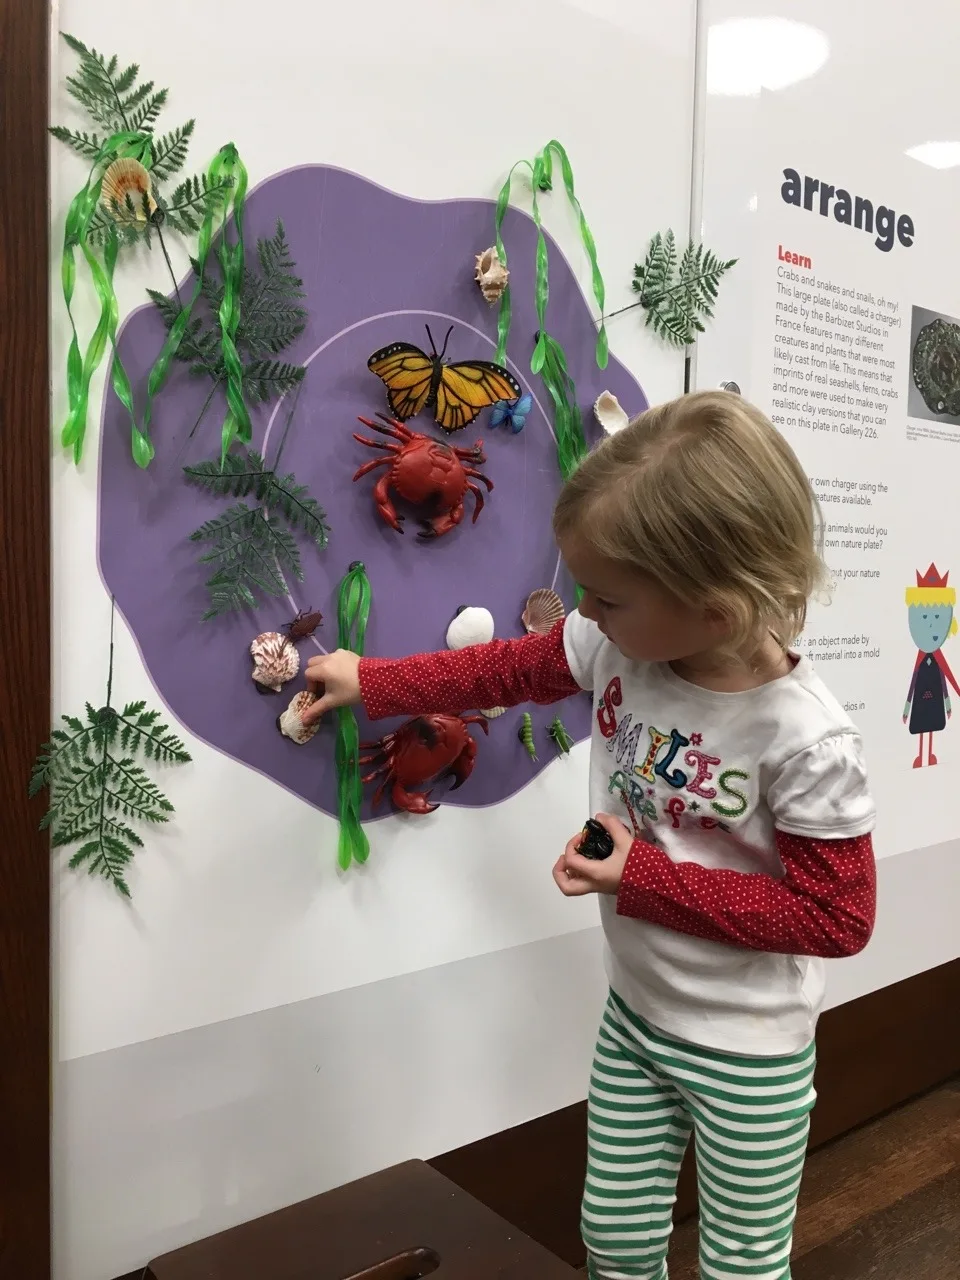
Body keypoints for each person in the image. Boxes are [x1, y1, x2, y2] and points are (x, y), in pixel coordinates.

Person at [302, 390, 877, 1280]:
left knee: (743, 1265)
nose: (585, 614)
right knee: (611, 1236)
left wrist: (640, 879)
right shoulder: (617, 643)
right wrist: (374, 681)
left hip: (749, 1054)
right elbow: (506, 665)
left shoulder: (806, 740)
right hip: (637, 1018)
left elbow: (835, 918)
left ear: (717, 610)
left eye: (606, 597)